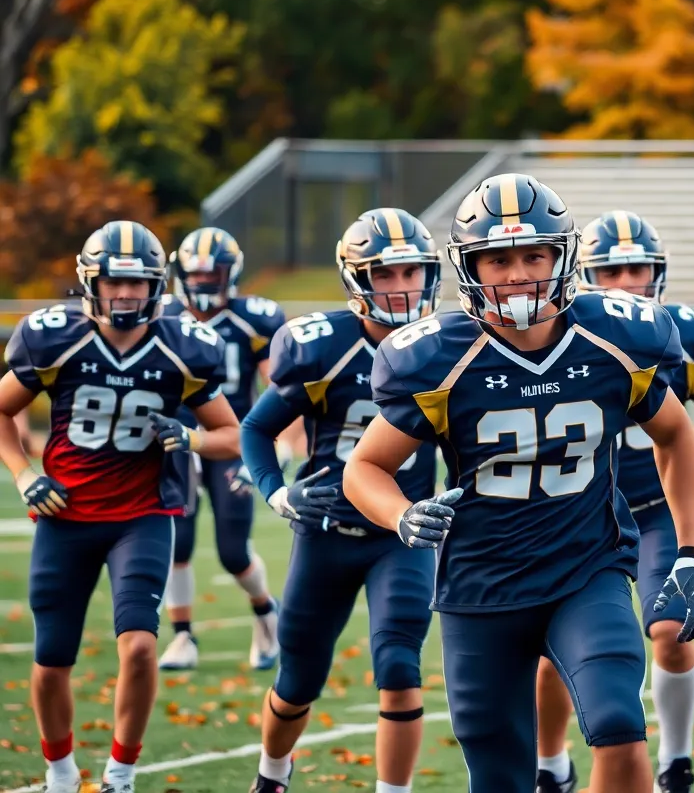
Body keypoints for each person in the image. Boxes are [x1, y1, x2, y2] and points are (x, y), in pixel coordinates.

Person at [343, 173, 694, 793]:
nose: (517, 274)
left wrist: (693, 554)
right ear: (469, 267)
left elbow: (678, 437)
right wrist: (400, 514)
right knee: (499, 774)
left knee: (621, 727)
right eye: (498, 258)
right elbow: (365, 466)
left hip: (587, 568)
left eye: (533, 254)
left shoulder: (616, 338)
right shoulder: (437, 358)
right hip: (480, 588)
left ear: (563, 257)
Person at [0, 221, 238, 793]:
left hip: (143, 515)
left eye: (138, 283)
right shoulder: (55, 337)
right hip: (65, 514)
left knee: (138, 647)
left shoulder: (185, 347)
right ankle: (60, 772)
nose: (126, 294)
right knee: (53, 657)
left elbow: (230, 434)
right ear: (92, 283)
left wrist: (192, 439)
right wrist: (25, 473)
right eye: (115, 282)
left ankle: (121, 774)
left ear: (157, 285)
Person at [530, 210, 694, 793]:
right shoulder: (553, 336)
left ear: (659, 272)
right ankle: (551, 765)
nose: (626, 282)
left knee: (672, 630)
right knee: (552, 651)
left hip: (656, 512)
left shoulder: (682, 336)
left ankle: (676, 760)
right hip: (580, 516)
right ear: (582, 275)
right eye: (610, 269)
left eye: (637, 268)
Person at [240, 208, 441, 793]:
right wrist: (276, 492)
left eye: (412, 273)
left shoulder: (442, 347)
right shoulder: (323, 347)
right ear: (357, 280)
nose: (403, 288)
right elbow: (256, 427)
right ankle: (273, 772)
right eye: (386, 275)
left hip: (401, 535)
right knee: (298, 679)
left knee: (401, 670)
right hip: (326, 532)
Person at [158, 227, 286, 672]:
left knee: (233, 550)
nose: (204, 281)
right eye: (196, 272)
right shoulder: (163, 317)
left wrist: (278, 441)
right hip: (176, 438)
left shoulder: (255, 318)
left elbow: (279, 387)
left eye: (214, 272)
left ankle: (266, 610)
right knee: (179, 541)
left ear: (230, 273)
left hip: (234, 438)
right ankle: (182, 637)